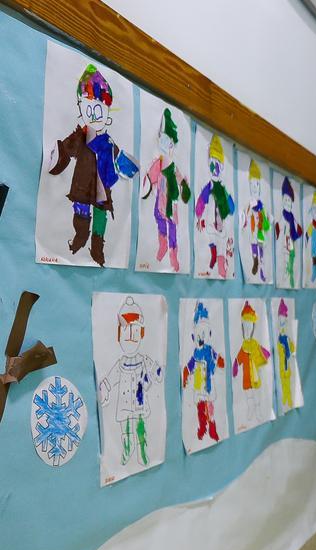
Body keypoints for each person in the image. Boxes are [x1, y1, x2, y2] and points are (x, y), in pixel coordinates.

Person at [48, 64, 139, 266]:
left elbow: (119, 160)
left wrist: (128, 167)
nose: (95, 114)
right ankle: (79, 241)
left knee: (100, 220)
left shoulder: (108, 142)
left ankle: (97, 250)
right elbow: (65, 150)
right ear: (81, 108)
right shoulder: (80, 137)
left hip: (102, 192)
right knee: (81, 214)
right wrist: (57, 159)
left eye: (99, 109)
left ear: (108, 112)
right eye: (89, 108)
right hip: (81, 187)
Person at [98, 296, 163, 465]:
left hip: (139, 401)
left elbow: (155, 372)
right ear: (119, 335)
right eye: (127, 332)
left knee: (140, 425)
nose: (131, 338)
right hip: (125, 402)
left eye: (135, 332)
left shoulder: (144, 359)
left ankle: (142, 449)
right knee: (125, 426)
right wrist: (105, 387)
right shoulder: (120, 364)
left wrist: (157, 371)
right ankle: (127, 449)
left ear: (141, 334)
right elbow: (111, 379)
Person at [141, 109, 190, 271]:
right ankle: (163, 245)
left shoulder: (172, 167)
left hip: (172, 202)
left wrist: (184, 184)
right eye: (162, 138)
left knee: (172, 225)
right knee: (159, 218)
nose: (164, 143)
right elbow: (150, 177)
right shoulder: (159, 162)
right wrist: (147, 181)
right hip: (160, 199)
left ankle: (173, 254)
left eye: (168, 140)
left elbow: (180, 177)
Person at [181, 301, 225, 442]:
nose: (200, 338)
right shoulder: (195, 352)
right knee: (200, 406)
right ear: (194, 336)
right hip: (199, 384)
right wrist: (186, 372)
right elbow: (190, 365)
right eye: (198, 334)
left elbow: (217, 358)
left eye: (203, 333)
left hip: (208, 383)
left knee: (209, 406)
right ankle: (202, 426)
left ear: (208, 333)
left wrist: (220, 361)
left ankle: (212, 426)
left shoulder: (209, 350)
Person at [195, 135, 235, 278]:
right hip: (211, 223)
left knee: (222, 247)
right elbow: (202, 200)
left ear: (222, 166)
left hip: (222, 226)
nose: (214, 167)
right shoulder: (210, 186)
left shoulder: (223, 189)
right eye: (211, 162)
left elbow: (232, 207)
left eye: (217, 163)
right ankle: (213, 257)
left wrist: (230, 205)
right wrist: (199, 214)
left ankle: (221, 266)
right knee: (212, 241)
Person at [232, 301, 271, 424]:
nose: (247, 330)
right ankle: (250, 408)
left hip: (254, 376)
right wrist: (236, 364)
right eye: (245, 326)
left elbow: (261, 352)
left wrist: (264, 353)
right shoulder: (243, 346)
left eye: (249, 326)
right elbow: (239, 357)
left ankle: (258, 409)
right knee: (248, 394)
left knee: (256, 393)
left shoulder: (254, 344)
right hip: (246, 376)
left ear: (253, 327)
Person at [242, 159, 271, 281]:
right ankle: (255, 259)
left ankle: (262, 270)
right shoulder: (249, 204)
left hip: (260, 234)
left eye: (257, 184)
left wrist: (267, 221)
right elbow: (245, 216)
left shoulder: (261, 206)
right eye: (252, 184)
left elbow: (266, 224)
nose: (255, 187)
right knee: (254, 245)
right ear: (249, 186)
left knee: (261, 250)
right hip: (253, 232)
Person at [276, 300, 297, 409]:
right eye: (280, 319)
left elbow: (292, 349)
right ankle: (285, 396)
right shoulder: (279, 337)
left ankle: (288, 397)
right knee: (283, 382)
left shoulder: (287, 338)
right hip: (281, 365)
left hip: (286, 365)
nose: (281, 320)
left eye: (283, 319)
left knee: (287, 381)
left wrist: (288, 346)